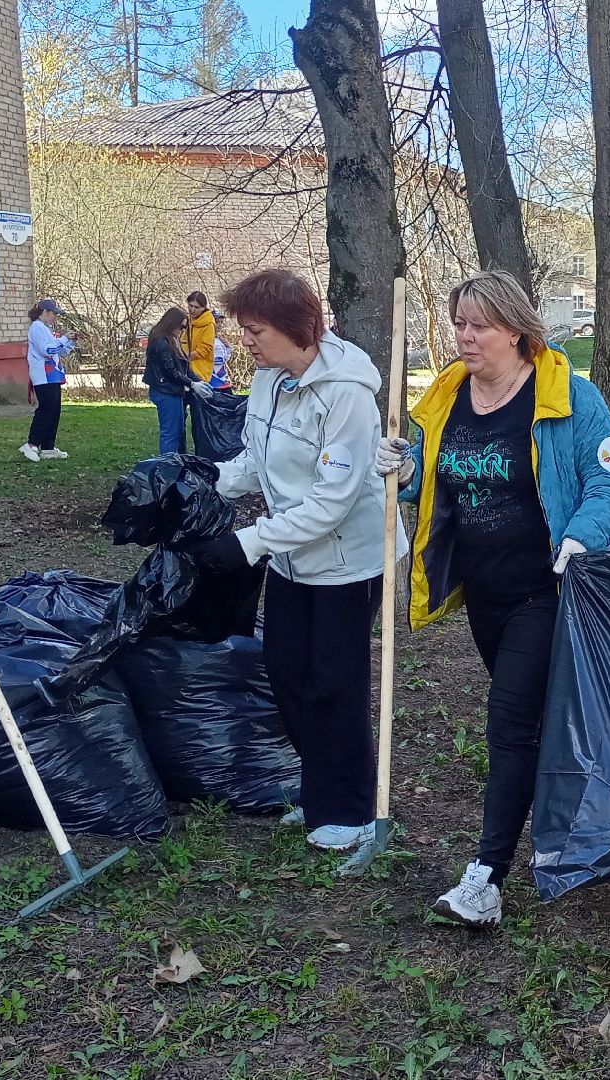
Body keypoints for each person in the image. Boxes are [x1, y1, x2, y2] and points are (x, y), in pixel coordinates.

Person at [374, 270, 610, 928]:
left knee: (509, 725)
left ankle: (484, 878)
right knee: (541, 720)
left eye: (478, 324)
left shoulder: (567, 396)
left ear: (515, 330)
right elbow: (433, 480)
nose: (463, 335)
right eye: (458, 321)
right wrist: (404, 472)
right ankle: (582, 811)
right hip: (482, 594)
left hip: (545, 590)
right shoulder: (444, 398)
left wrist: (581, 539)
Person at [183, 269, 393, 852]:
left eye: (255, 331)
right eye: (244, 331)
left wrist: (246, 543)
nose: (245, 341)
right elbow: (255, 462)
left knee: (334, 682)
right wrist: (200, 482)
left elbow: (332, 501)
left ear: (296, 328)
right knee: (285, 673)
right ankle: (319, 788)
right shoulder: (269, 381)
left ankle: (349, 809)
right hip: (291, 559)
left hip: (346, 561)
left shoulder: (347, 393)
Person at [24, 299, 73, 461]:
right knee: (46, 410)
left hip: (52, 375)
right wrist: (64, 339)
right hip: (43, 376)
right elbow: (47, 350)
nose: (55, 318)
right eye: (53, 314)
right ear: (44, 312)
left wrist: (70, 341)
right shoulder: (37, 328)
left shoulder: (45, 329)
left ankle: (48, 447)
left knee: (54, 411)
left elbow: (59, 351)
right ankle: (31, 444)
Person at [143, 307, 197, 455]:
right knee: (171, 434)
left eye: (185, 327)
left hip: (171, 391)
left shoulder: (171, 340)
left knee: (177, 431)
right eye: (182, 326)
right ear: (172, 323)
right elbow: (171, 371)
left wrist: (198, 381)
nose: (183, 330)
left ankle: (176, 464)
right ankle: (168, 468)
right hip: (165, 391)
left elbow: (184, 366)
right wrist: (192, 384)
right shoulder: (162, 342)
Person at [185, 291, 217, 383]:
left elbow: (205, 349)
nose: (192, 310)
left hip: (199, 372)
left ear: (203, 308)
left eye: (196, 307)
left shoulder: (208, 324)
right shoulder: (185, 320)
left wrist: (184, 357)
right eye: (190, 306)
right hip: (183, 370)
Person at [209, 312, 234, 391]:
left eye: (221, 322)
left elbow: (225, 357)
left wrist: (228, 347)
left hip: (223, 378)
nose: (219, 325)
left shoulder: (220, 339)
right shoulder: (206, 339)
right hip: (212, 378)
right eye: (217, 322)